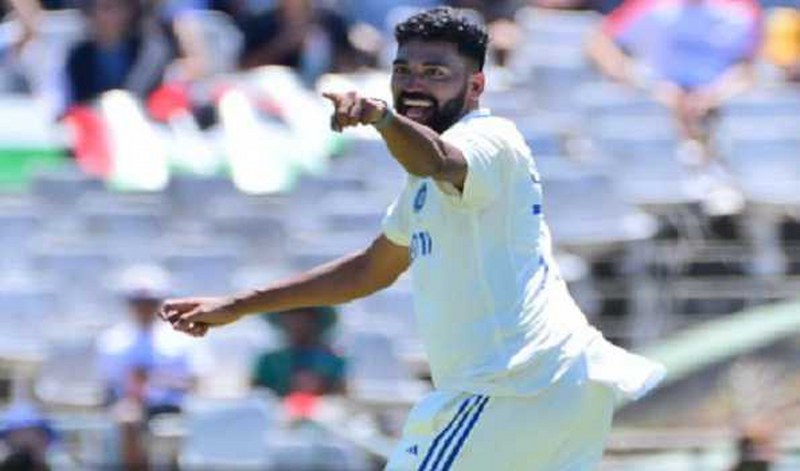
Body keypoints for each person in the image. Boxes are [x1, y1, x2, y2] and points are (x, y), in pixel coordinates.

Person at [161, 7, 665, 469]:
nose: (414, 85)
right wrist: (237, 305)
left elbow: (438, 160)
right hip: (555, 385)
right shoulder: (422, 187)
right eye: (403, 71)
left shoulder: (489, 139)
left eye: (435, 73)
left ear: (476, 85)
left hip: (509, 386)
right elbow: (367, 270)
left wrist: (382, 118)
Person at [587, 0, 762, 167]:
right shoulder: (648, 4)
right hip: (656, 107)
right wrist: (645, 85)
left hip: (718, 107)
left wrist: (714, 95)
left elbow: (750, 67)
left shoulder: (741, 9)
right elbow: (600, 43)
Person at [97, 265, 207, 468]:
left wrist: (159, 381)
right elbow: (109, 387)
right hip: (133, 405)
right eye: (137, 302)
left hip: (175, 404)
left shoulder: (182, 338)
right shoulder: (112, 340)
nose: (144, 308)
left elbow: (197, 380)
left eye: (151, 302)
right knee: (127, 419)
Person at [64, 0, 171, 108]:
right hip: (95, 115)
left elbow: (143, 92)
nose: (113, 15)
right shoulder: (79, 56)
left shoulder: (148, 51)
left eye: (117, 7)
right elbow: (80, 101)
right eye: (105, 8)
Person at [251, 306, 346, 398]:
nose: (295, 322)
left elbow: (341, 396)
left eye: (302, 316)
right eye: (289, 317)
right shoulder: (269, 361)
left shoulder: (333, 361)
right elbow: (255, 395)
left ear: (314, 320)